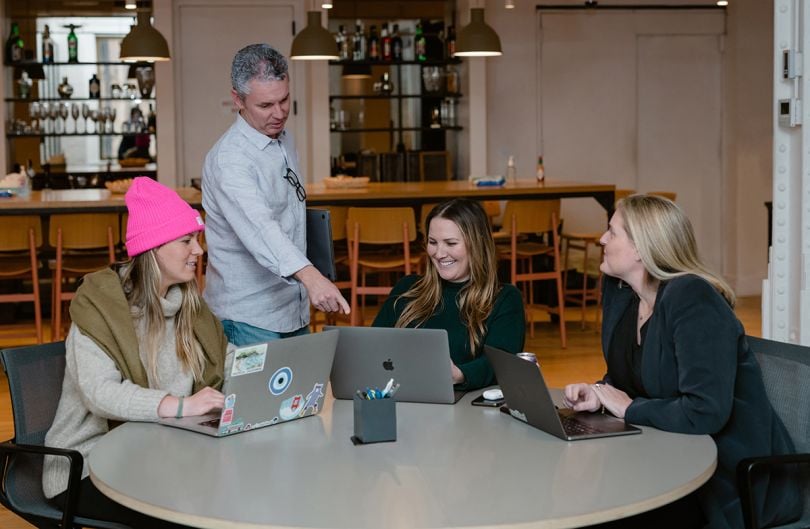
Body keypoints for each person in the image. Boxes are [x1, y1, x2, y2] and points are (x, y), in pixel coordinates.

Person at [563, 195, 800, 529]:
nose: (602, 239)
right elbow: (630, 373)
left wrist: (630, 409)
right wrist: (600, 393)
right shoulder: (623, 294)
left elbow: (705, 410)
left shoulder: (692, 299)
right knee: (577, 497)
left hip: (722, 479)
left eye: (612, 232)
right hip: (660, 455)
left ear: (641, 248)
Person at [43, 177, 228, 528]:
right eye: (187, 240)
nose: (199, 251)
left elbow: (223, 356)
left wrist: (263, 373)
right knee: (189, 512)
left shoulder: (188, 304)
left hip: (160, 453)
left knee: (226, 490)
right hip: (86, 466)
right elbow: (101, 394)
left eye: (198, 240)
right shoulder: (100, 307)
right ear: (155, 248)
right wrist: (183, 406)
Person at [202, 43, 349, 346]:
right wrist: (313, 278)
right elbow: (261, 227)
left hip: (291, 307)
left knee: (299, 395)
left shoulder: (283, 139)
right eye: (266, 106)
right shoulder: (230, 159)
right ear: (237, 100)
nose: (279, 113)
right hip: (248, 317)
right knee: (254, 396)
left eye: (284, 100)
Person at [372, 199, 525, 390]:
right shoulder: (406, 288)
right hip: (403, 400)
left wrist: (460, 375)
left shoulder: (505, 299)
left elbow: (504, 364)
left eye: (451, 243)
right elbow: (372, 346)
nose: (439, 253)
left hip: (467, 407)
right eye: (432, 242)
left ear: (477, 245)